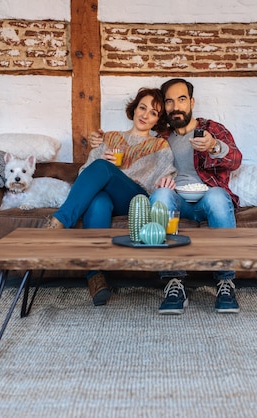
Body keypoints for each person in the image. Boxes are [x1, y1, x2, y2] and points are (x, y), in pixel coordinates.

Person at [44, 87, 176, 306]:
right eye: (142, 108)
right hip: (107, 198)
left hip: (135, 200)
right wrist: (99, 158)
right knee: (98, 201)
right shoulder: (110, 138)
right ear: (134, 110)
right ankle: (95, 277)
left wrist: (166, 180)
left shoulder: (160, 145)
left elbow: (166, 176)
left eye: (153, 113)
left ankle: (60, 221)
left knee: (102, 168)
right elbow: (85, 173)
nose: (145, 115)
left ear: (158, 120)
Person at [150, 78, 243, 315]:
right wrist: (157, 179)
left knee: (218, 197)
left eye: (181, 99)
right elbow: (142, 170)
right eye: (169, 101)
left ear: (191, 102)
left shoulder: (212, 130)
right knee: (160, 195)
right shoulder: (160, 138)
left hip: (206, 200)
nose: (175, 106)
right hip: (176, 200)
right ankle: (174, 282)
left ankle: (225, 281)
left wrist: (213, 146)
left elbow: (235, 160)